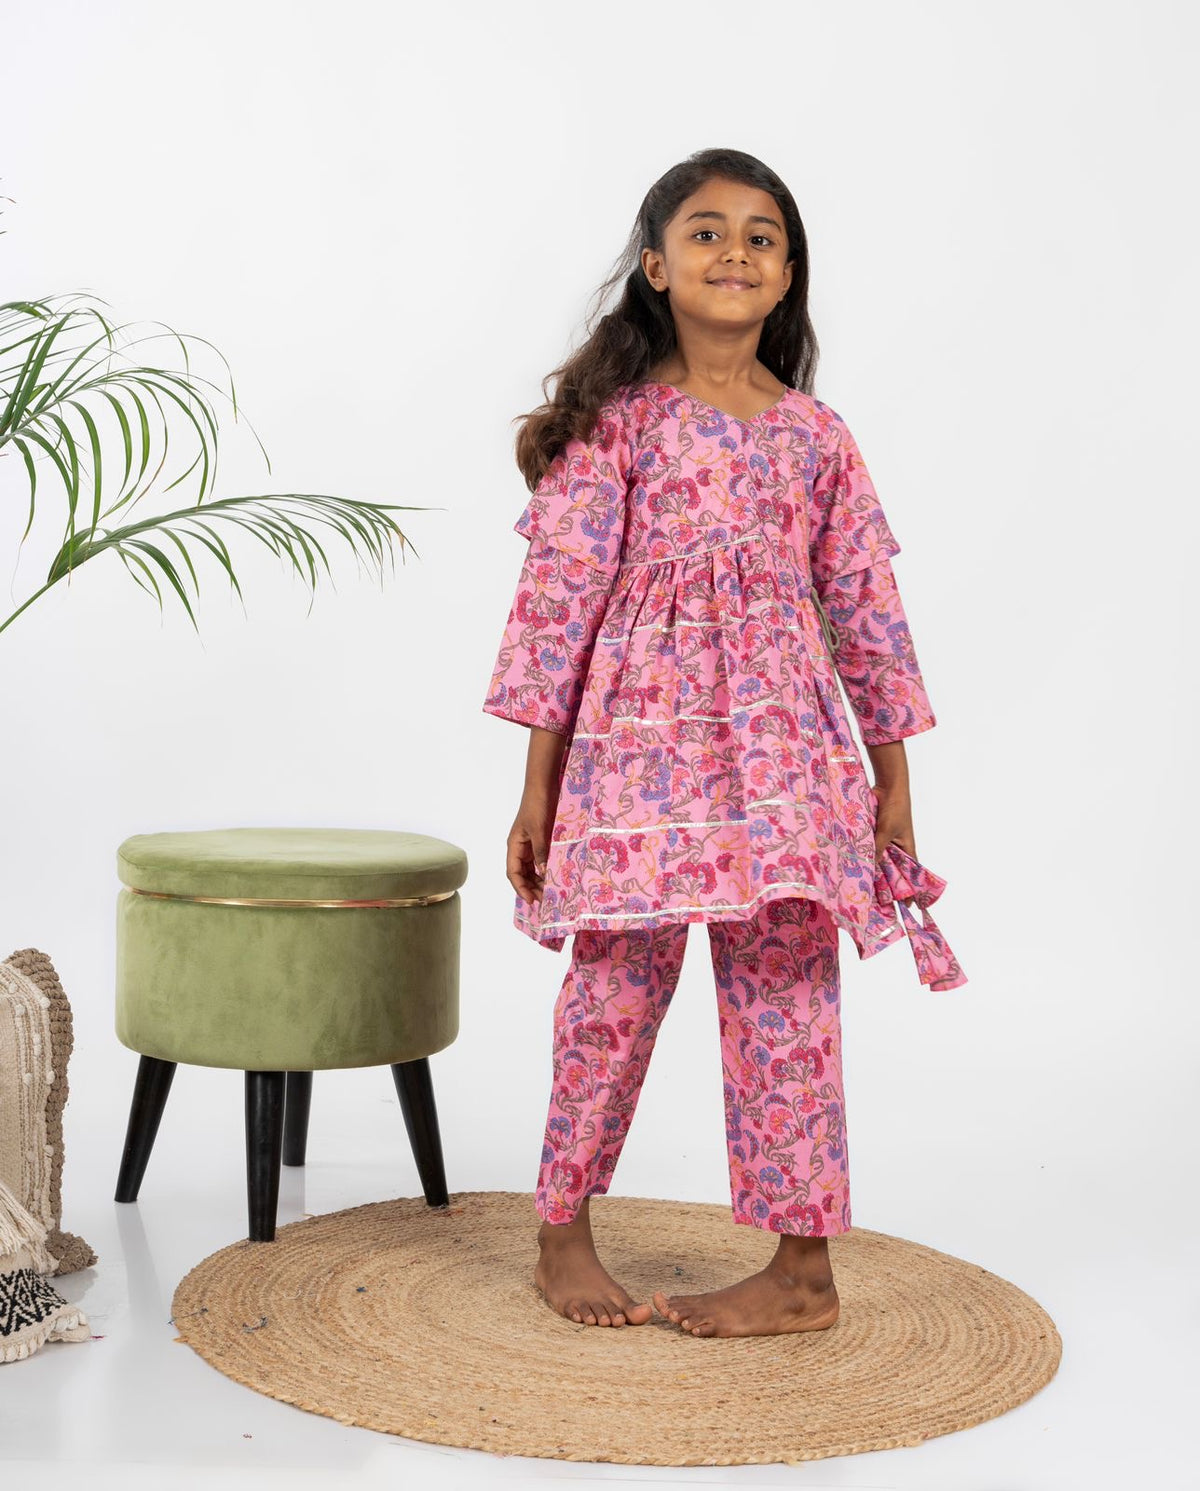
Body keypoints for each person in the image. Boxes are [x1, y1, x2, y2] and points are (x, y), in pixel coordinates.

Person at [482, 148, 965, 1340]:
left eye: (762, 236)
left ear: (788, 274)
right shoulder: (617, 427)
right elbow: (558, 610)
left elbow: (866, 613)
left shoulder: (818, 438)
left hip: (788, 766)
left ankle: (803, 1273)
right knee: (611, 991)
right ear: (655, 266)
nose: (735, 252)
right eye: (706, 231)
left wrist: (894, 783)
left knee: (789, 999)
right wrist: (539, 790)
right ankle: (561, 1228)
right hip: (636, 761)